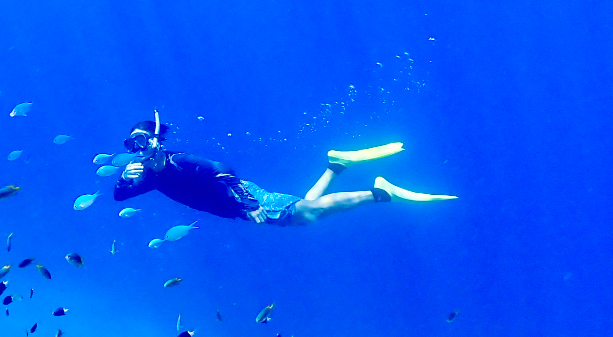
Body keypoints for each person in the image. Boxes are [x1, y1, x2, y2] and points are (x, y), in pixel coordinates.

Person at [113, 116, 456, 225]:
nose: (139, 151)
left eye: (143, 142)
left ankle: (379, 192)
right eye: (132, 146)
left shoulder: (179, 161)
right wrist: (121, 180)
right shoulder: (150, 178)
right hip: (237, 205)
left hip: (239, 199)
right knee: (303, 208)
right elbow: (118, 196)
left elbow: (221, 171)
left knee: (306, 215)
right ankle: (337, 165)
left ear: (157, 142)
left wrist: (248, 202)